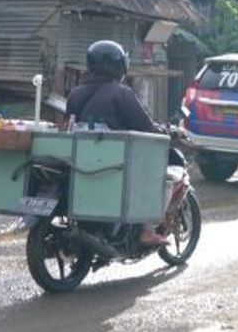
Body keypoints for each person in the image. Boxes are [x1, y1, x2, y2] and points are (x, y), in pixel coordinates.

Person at [66, 40, 168, 247]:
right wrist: (165, 132)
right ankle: (146, 230)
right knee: (158, 176)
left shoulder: (75, 93)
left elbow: (69, 123)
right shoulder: (121, 93)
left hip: (80, 159)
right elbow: (145, 127)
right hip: (113, 162)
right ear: (120, 65)